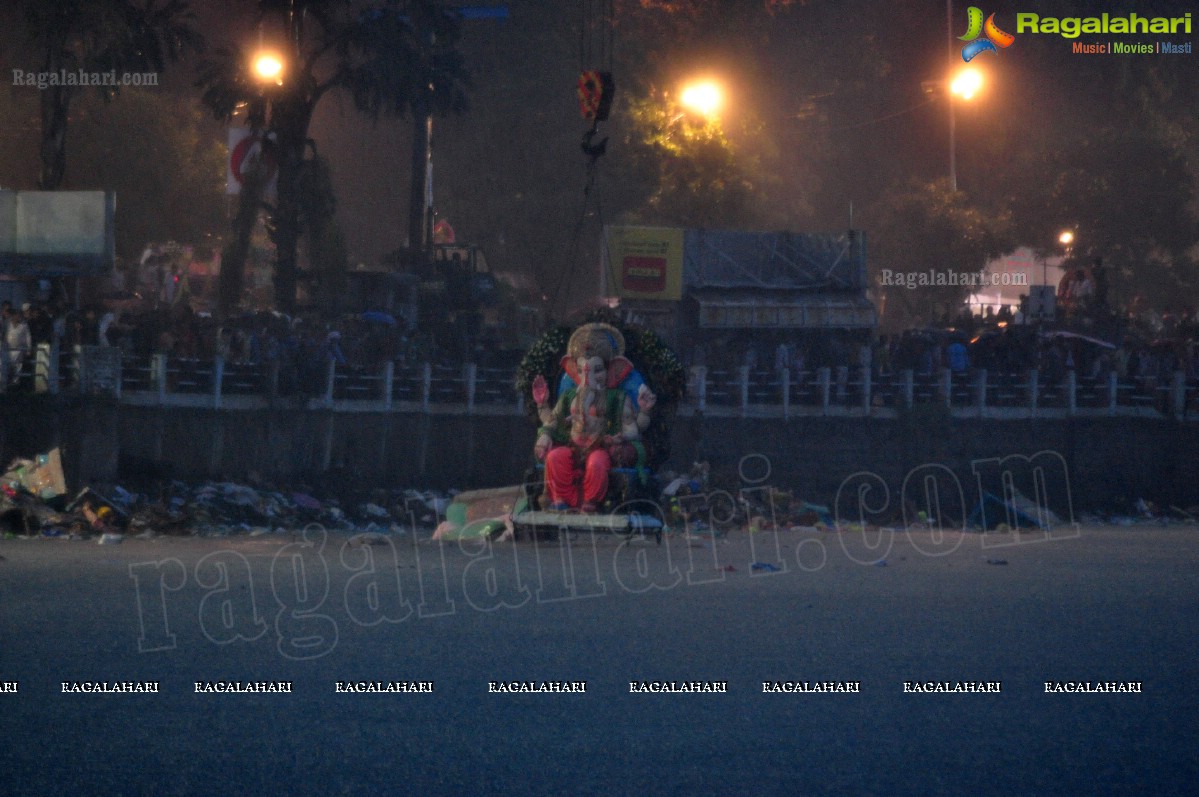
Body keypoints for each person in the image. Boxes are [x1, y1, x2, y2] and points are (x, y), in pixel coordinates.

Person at [532, 323, 655, 512]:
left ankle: (591, 502)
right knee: (555, 457)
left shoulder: (617, 398)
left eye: (597, 370)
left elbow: (632, 429)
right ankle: (561, 501)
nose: (588, 378)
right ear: (574, 371)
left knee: (596, 462)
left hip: (601, 448)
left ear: (612, 372)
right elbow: (553, 421)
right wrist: (543, 418)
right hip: (573, 445)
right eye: (581, 371)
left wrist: (622, 434)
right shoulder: (569, 396)